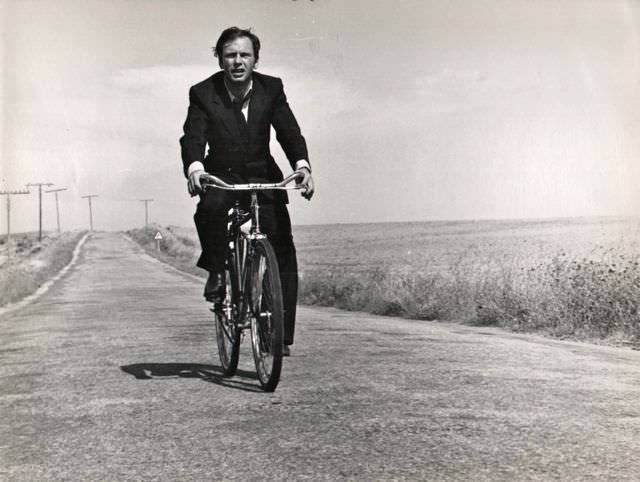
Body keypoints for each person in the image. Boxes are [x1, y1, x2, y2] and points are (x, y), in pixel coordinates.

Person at [180, 27, 314, 356]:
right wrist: (196, 168)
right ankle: (217, 270)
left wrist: (302, 166)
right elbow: (193, 136)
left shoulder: (272, 88)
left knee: (282, 246)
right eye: (230, 55)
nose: (237, 61)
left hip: (262, 173)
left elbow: (288, 131)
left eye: (244, 55)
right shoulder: (203, 92)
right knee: (209, 211)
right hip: (221, 173)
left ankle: (278, 335)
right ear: (220, 58)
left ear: (255, 59)